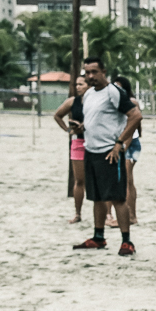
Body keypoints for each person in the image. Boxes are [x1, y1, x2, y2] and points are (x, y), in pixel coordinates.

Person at [71, 57, 142, 255]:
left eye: (94, 72)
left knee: (117, 197)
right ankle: (98, 237)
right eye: (87, 72)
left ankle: (127, 241)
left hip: (109, 153)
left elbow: (135, 116)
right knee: (97, 197)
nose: (91, 76)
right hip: (91, 150)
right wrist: (83, 127)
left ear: (103, 71)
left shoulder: (113, 91)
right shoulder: (89, 94)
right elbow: (98, 117)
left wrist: (119, 144)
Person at [54, 75, 92, 224]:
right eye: (76, 84)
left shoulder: (95, 102)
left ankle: (106, 214)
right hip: (78, 141)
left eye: (81, 84)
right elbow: (57, 115)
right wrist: (68, 130)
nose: (78, 87)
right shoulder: (72, 101)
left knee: (97, 180)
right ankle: (78, 213)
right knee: (79, 180)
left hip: (94, 141)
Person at [111, 77, 142, 225]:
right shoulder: (113, 101)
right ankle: (117, 215)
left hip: (129, 143)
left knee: (127, 180)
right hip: (119, 142)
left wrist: (124, 146)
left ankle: (131, 216)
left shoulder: (131, 102)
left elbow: (135, 124)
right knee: (118, 180)